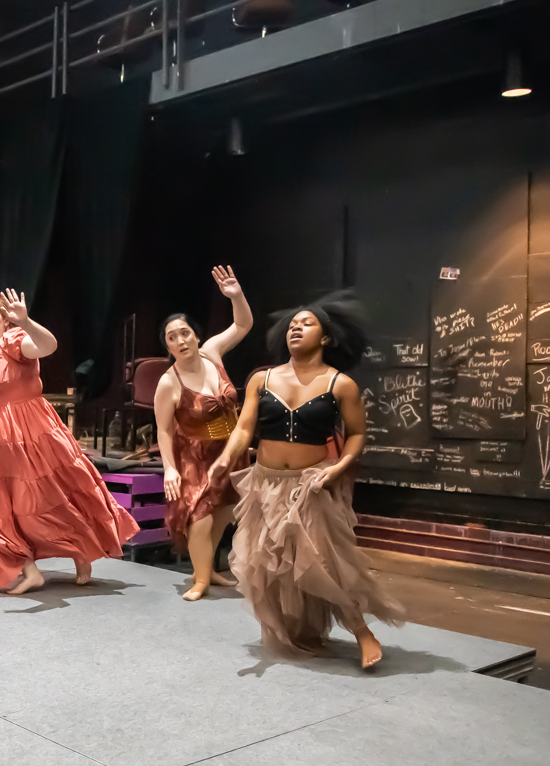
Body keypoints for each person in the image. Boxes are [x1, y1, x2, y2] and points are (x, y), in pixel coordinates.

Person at [208, 292, 405, 670]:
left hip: (311, 485)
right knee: (268, 563)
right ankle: (292, 629)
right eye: (292, 325)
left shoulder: (340, 384)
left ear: (326, 337)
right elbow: (244, 427)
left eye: (306, 324)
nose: (296, 329)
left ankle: (363, 632)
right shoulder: (262, 379)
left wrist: (340, 465)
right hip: (265, 485)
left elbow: (357, 434)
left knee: (325, 562)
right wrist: (225, 457)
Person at [0, 289, 139, 595]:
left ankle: (79, 550)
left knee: (46, 498)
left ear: (5, 320)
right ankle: (29, 570)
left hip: (29, 434)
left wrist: (26, 321)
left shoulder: (14, 343)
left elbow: (48, 346)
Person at [154, 265, 254, 601]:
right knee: (199, 517)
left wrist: (235, 296)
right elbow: (163, 430)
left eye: (184, 333)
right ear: (168, 347)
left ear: (196, 336)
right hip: (195, 456)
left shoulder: (212, 353)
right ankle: (199, 580)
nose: (180, 340)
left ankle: (207, 568)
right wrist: (169, 468)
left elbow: (243, 325)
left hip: (232, 449)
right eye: (171, 338)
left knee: (224, 511)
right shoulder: (169, 382)